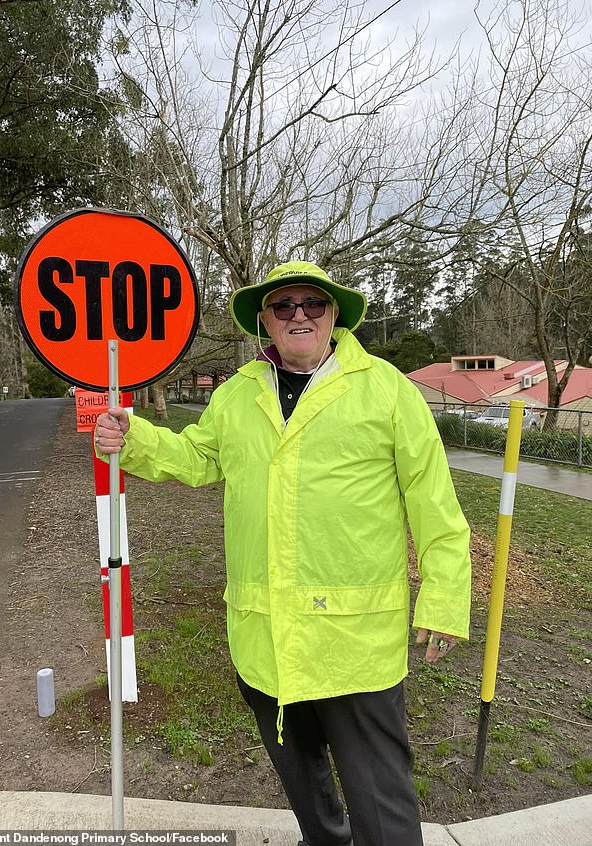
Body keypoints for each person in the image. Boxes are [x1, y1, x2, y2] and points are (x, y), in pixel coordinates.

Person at [95, 260, 471, 846]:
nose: (299, 316)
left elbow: (436, 506)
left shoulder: (385, 388)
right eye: (283, 307)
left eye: (312, 304)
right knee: (305, 786)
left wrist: (444, 599)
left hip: (355, 643)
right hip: (264, 635)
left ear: (334, 314)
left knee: (380, 802)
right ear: (265, 321)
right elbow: (198, 458)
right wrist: (133, 435)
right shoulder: (237, 394)